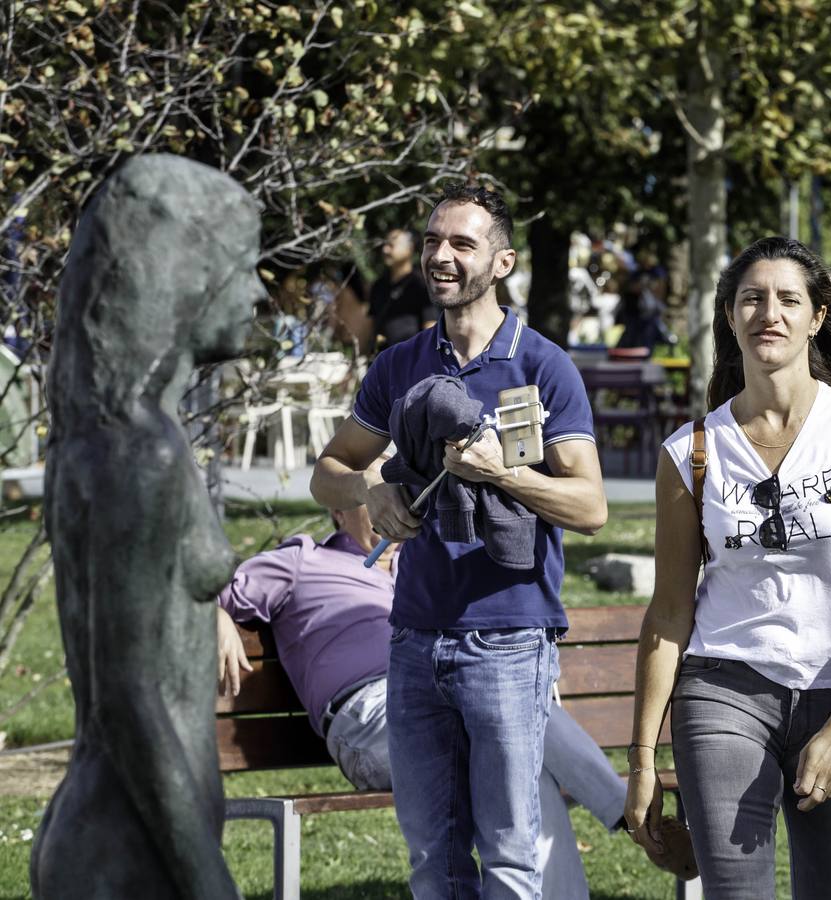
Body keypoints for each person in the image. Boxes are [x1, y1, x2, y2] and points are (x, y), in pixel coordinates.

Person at [311, 184, 606, 900]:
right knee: (433, 860)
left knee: (510, 856)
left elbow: (590, 505)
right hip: (413, 639)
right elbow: (328, 471)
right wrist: (370, 493)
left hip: (507, 641)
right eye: (435, 240)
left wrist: (504, 474)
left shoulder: (542, 367)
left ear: (502, 262)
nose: (441, 256)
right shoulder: (399, 364)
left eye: (462, 244)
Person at [626, 236, 831, 898]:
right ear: (729, 316)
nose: (769, 314)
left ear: (817, 316)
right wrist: (642, 761)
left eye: (789, 299)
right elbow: (669, 614)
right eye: (752, 299)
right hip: (726, 687)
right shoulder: (692, 453)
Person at [34, 155, 263, 899]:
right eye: (244, 267)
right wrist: (208, 881)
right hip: (128, 853)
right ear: (187, 275)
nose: (260, 292)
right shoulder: (139, 453)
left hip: (126, 842)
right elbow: (128, 696)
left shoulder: (111, 438)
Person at [214, 499, 638, 900]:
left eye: (405, 492)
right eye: (377, 493)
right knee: (515, 725)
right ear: (338, 510)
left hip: (451, 694)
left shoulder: (420, 566)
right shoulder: (303, 560)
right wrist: (218, 615)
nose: (399, 502)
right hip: (373, 717)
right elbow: (212, 593)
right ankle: (636, 815)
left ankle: (628, 817)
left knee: (524, 762)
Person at [368, 228, 435, 352]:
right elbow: (371, 326)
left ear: (409, 249)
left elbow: (430, 327)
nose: (385, 250)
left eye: (391, 245)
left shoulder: (421, 284)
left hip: (409, 361)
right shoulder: (378, 285)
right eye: (385, 244)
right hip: (378, 362)